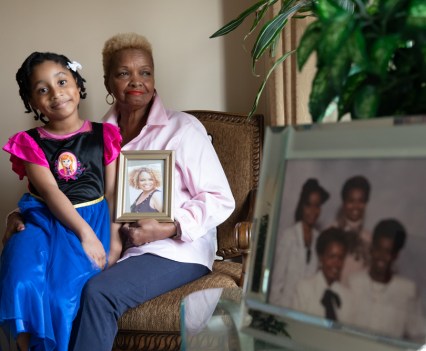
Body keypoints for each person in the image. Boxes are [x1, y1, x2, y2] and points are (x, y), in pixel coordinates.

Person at [4, 33, 235, 350]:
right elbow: (66, 194)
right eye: (123, 73)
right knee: (48, 283)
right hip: (114, 248)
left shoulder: (184, 128)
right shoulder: (97, 136)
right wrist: (19, 215)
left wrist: (167, 227)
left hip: (173, 251)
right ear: (107, 83)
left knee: (99, 293)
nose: (136, 81)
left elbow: (221, 199)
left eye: (145, 72)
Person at [0, 52, 122, 351]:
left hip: (91, 222)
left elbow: (113, 193)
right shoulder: (29, 142)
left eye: (62, 82)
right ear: (32, 102)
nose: (56, 93)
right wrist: (85, 234)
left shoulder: (104, 134)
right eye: (42, 89)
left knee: (61, 297)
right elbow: (52, 194)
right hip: (42, 219)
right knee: (20, 278)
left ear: (78, 86)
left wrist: (114, 240)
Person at [347, 219, 426, 342]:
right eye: (379, 249)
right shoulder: (353, 283)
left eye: (388, 251)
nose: (382, 256)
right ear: (371, 249)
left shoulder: (407, 290)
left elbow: (419, 336)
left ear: (395, 255)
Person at [269, 178, 330, 307]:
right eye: (309, 205)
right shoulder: (289, 236)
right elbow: (277, 280)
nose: (313, 211)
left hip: (307, 308)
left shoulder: (319, 239)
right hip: (285, 307)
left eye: (317, 206)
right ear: (302, 206)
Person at [292, 227, 352, 324]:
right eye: (332, 257)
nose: (336, 264)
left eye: (340, 258)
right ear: (321, 258)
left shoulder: (347, 296)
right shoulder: (303, 289)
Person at [333, 175, 372, 284]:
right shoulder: (331, 232)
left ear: (366, 203)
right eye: (351, 201)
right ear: (344, 202)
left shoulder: (369, 238)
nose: (356, 206)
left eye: (361, 201)